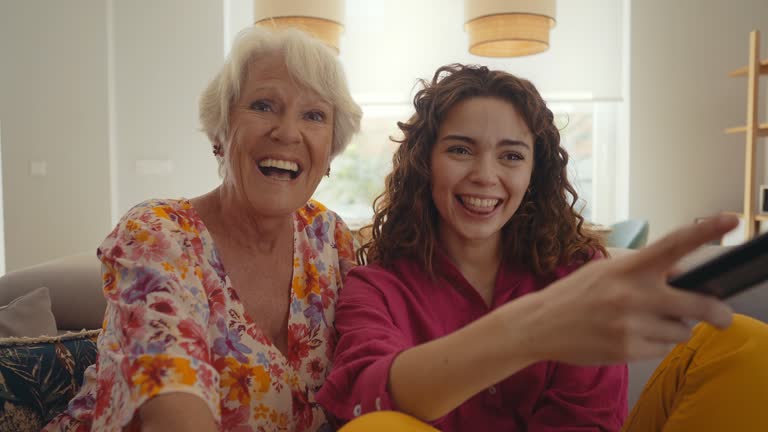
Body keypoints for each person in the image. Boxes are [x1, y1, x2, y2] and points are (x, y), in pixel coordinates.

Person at [317, 64, 768, 431]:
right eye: (460, 150)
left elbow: (585, 422)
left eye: (511, 156)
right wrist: (529, 331)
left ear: (535, 174)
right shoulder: (375, 288)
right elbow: (364, 397)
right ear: (424, 164)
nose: (485, 175)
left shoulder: (578, 275)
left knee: (744, 342)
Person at [44, 25, 361, 432]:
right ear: (221, 129)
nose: (286, 132)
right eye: (263, 105)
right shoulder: (158, 235)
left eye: (314, 115)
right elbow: (173, 412)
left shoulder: (330, 239)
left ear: (331, 146)